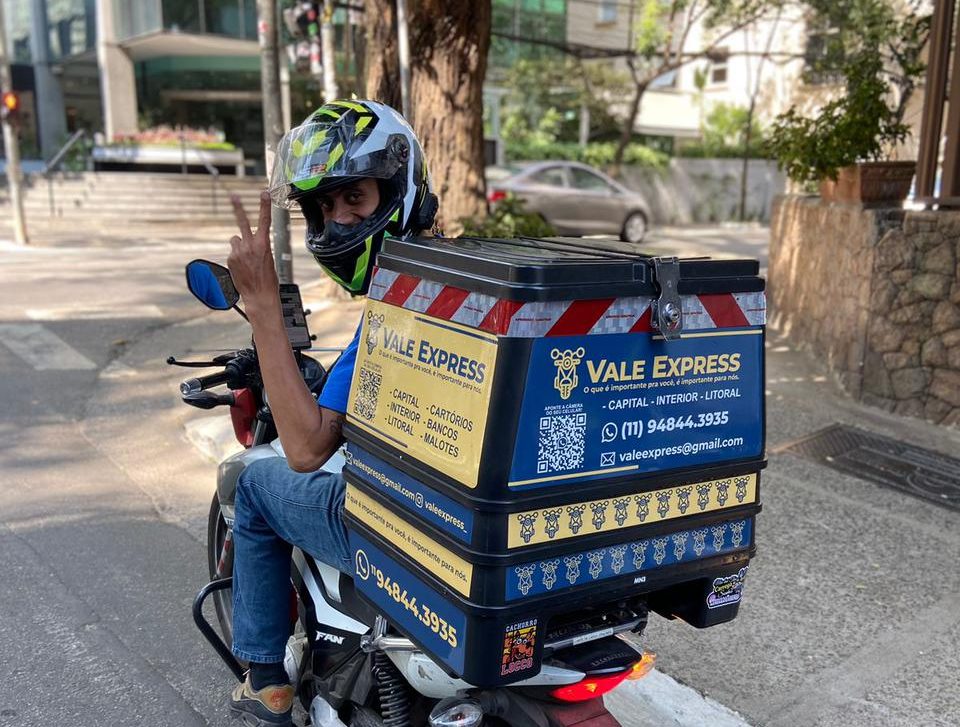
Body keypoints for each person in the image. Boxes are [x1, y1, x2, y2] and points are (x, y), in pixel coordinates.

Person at [224, 99, 438, 726]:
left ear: (397, 191)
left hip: (404, 528)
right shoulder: (456, 277)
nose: (338, 221)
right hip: (477, 517)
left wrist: (262, 303)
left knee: (256, 483)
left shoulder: (399, 306)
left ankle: (265, 678)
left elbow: (306, 447)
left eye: (355, 199)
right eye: (324, 207)